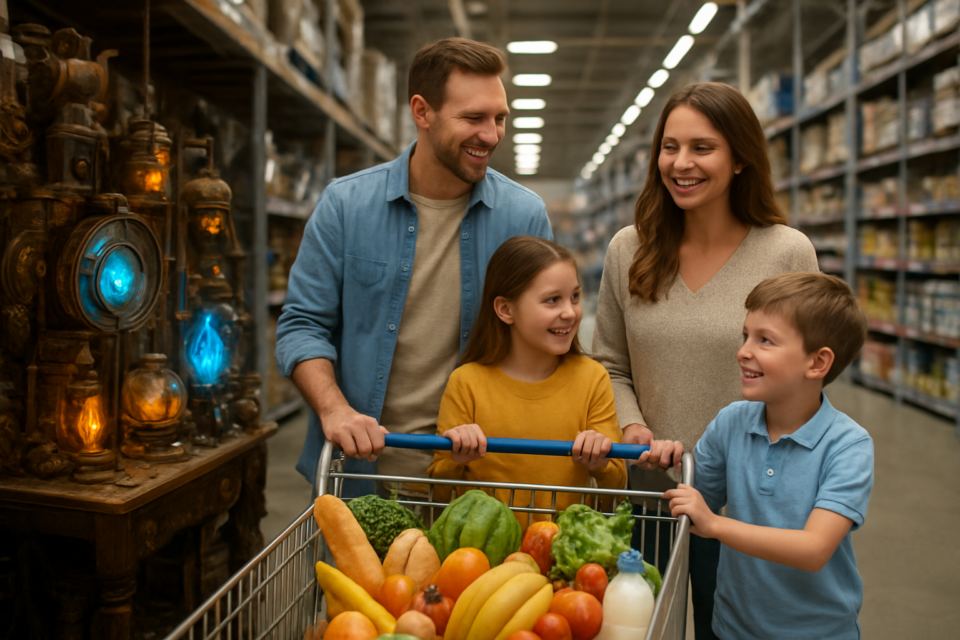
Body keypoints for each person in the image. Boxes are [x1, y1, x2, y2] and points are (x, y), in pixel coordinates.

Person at [590, 82, 819, 640]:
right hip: (650, 494)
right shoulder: (628, 249)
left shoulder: (786, 252)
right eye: (670, 147)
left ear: (740, 158)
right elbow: (610, 365)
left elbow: (804, 382)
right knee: (640, 630)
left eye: (702, 148)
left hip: (746, 503)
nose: (681, 163)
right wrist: (632, 426)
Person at [275, 38, 552, 497]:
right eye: (473, 118)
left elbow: (544, 343)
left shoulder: (523, 217)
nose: (491, 135)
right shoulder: (346, 206)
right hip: (361, 475)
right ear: (422, 111)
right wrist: (335, 409)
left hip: (480, 481)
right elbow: (302, 325)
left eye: (499, 118)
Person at [665, 272, 873, 640]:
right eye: (745, 335)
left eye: (765, 340)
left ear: (818, 363)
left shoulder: (847, 446)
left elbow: (813, 549)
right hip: (732, 628)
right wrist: (668, 462)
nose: (743, 351)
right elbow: (696, 502)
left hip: (818, 633)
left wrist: (715, 525)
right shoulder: (731, 422)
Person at [426, 236, 653, 522]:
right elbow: (439, 494)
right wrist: (455, 458)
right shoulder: (465, 383)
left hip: (566, 544)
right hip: (482, 548)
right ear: (505, 309)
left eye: (574, 297)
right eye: (552, 300)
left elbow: (615, 491)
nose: (570, 312)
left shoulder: (593, 379)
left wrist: (601, 463)